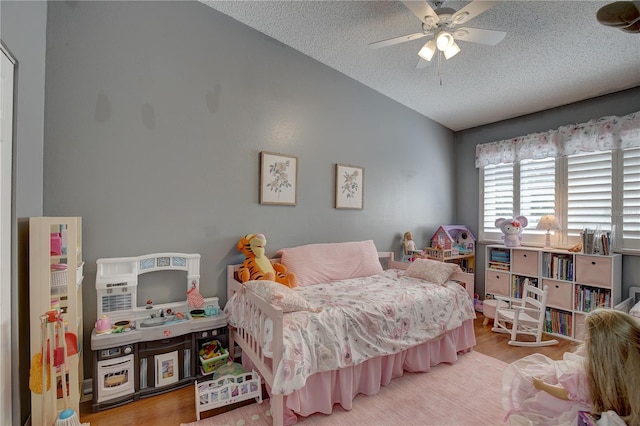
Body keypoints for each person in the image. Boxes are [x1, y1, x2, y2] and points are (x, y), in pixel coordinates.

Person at [502, 308, 640, 426]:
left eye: (588, 339)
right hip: (588, 402)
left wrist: (542, 386)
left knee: (534, 397)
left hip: (577, 406)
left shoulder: (589, 376)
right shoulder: (623, 373)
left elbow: (567, 394)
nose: (585, 341)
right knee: (545, 376)